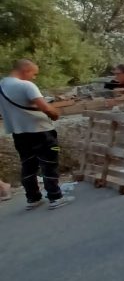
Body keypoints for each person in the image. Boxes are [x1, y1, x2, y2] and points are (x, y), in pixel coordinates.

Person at [0, 59, 72, 209]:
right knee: (50, 163)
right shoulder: (26, 85)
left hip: (19, 134)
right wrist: (55, 114)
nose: (34, 77)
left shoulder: (2, 85)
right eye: (34, 74)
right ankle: (55, 197)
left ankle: (33, 199)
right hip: (41, 132)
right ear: (25, 70)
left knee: (28, 165)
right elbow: (45, 108)